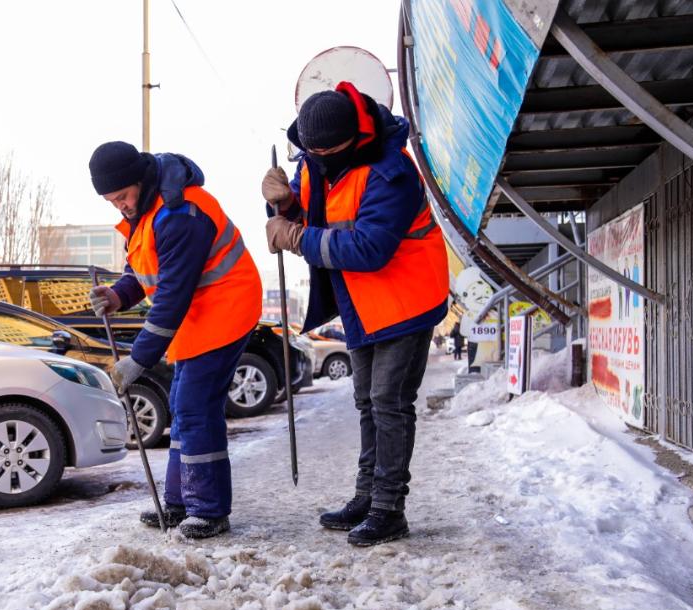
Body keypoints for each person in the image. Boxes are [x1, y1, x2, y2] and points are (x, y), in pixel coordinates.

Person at [262, 82, 449, 546]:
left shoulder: (392, 172)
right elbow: (312, 211)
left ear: (351, 141)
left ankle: (390, 509)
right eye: (309, 151)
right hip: (363, 304)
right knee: (366, 399)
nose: (315, 159)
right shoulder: (315, 162)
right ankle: (367, 496)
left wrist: (295, 236)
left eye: (324, 151)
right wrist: (285, 203)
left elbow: (369, 248)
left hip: (407, 300)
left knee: (389, 402)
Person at [89, 141, 262, 539]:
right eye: (111, 201)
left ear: (139, 179)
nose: (121, 206)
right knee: (182, 405)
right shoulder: (147, 212)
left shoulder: (181, 213)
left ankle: (209, 509)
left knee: (196, 406)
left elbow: (172, 295)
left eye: (123, 196)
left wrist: (139, 359)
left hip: (225, 307)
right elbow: (145, 270)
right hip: (197, 316)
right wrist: (119, 294)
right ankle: (181, 500)